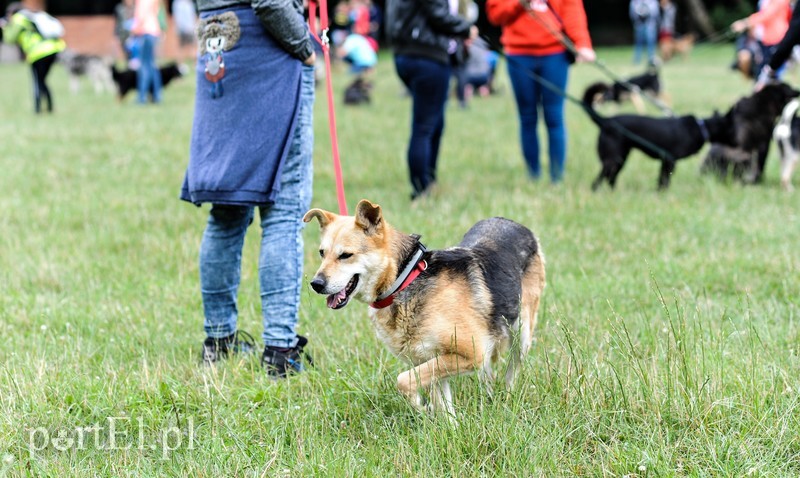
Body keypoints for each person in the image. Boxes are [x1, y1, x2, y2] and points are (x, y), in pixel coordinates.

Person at [180, 0, 316, 378]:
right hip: (267, 50)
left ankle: (219, 342)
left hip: (217, 46)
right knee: (285, 211)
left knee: (226, 210)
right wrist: (304, 46)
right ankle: (280, 350)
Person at [486, 0, 595, 183]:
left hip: (555, 54)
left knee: (554, 116)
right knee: (527, 117)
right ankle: (533, 175)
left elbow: (572, 10)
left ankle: (556, 177)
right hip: (518, 53)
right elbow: (496, 15)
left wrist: (582, 43)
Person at [386, 0, 476, 200]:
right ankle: (421, 189)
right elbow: (438, 15)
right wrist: (465, 28)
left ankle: (429, 179)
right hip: (428, 56)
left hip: (404, 54)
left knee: (434, 121)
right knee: (424, 126)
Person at [0, 3, 66, 114]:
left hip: (39, 52)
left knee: (37, 81)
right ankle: (50, 107)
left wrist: (4, 27)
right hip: (54, 49)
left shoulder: (19, 19)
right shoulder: (31, 16)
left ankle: (38, 110)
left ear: (12, 13)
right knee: (42, 80)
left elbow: (9, 39)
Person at [731, 0, 791, 81]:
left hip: (777, 39)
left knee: (773, 73)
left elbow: (767, 14)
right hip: (765, 40)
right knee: (764, 71)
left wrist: (745, 23)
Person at [130, 0, 164, 104]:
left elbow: (141, 16)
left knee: (144, 66)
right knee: (151, 65)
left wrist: (135, 28)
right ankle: (157, 96)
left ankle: (142, 97)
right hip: (154, 31)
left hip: (146, 32)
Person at [630, 0, 659, 65]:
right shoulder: (635, 1)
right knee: (639, 42)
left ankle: (651, 60)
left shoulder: (652, 1)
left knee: (651, 42)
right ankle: (637, 60)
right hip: (639, 24)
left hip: (650, 25)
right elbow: (632, 13)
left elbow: (656, 13)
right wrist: (637, 21)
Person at [172, 0, 198, 65]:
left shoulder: (176, 3)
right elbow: (193, 16)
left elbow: (175, 16)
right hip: (189, 28)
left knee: (182, 48)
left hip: (182, 29)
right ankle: (194, 64)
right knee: (192, 47)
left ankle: (180, 65)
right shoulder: (189, 3)